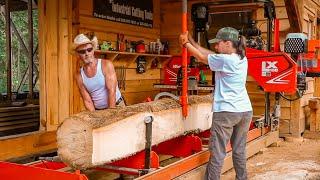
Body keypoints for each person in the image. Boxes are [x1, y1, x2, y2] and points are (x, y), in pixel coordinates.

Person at [179, 27, 253, 180]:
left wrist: (185, 44)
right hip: (245, 110)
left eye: (219, 43)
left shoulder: (225, 60)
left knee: (218, 152)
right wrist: (191, 40)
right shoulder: (241, 57)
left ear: (227, 43)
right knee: (239, 150)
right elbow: (208, 54)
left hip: (227, 111)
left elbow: (201, 57)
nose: (216, 47)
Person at [72, 34, 125, 111]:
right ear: (78, 54)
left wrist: (110, 113)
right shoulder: (79, 75)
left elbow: (111, 91)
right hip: (98, 110)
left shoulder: (106, 65)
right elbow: (87, 100)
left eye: (89, 50)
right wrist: (95, 117)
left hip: (116, 106)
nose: (87, 53)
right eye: (82, 51)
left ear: (93, 50)